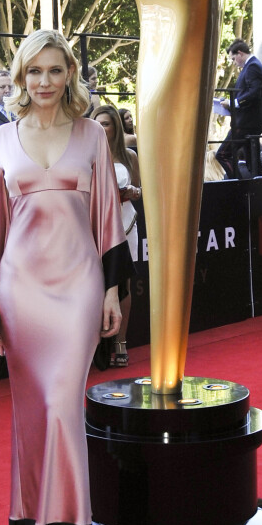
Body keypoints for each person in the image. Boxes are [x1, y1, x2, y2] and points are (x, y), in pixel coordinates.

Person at [0, 29, 132, 525]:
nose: (43, 82)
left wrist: (112, 291)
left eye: (55, 71)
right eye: (33, 71)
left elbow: (108, 220)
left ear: (70, 76)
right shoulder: (2, 142)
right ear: (19, 76)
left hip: (78, 289)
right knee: (31, 418)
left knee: (63, 407)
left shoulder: (92, 138)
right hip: (21, 293)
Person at [92, 104, 141, 366]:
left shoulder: (129, 155)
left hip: (126, 222)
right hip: (94, 226)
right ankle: (94, 345)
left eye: (106, 123)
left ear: (115, 128)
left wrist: (133, 192)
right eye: (97, 123)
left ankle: (121, 342)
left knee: (123, 285)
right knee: (94, 285)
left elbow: (141, 189)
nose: (101, 128)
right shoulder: (85, 155)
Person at [216, 39, 262, 177]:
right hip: (248, 121)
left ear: (240, 53)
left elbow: (254, 93)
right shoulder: (251, 66)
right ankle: (254, 186)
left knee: (222, 154)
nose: (234, 62)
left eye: (234, 58)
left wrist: (235, 103)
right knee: (252, 161)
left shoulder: (252, 66)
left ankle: (239, 185)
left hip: (247, 122)